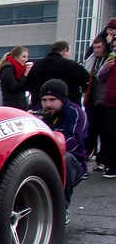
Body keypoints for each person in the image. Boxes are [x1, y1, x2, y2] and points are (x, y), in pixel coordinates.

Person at [36, 79, 86, 221]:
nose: (48, 104)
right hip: (44, 158)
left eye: (53, 100)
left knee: (67, 159)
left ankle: (61, 209)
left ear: (62, 99)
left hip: (72, 160)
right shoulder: (38, 111)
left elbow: (74, 140)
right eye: (44, 100)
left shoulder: (75, 113)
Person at [25, 41, 90, 107]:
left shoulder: (37, 66)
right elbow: (86, 77)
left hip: (40, 104)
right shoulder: (70, 65)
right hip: (67, 104)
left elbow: (28, 84)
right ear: (65, 50)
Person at [82, 36, 111, 169]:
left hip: (103, 101)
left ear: (105, 46)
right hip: (91, 100)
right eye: (94, 48)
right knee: (91, 130)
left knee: (104, 132)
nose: (96, 50)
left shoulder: (109, 59)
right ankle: (86, 157)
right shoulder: (93, 59)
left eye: (99, 47)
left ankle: (102, 159)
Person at [96, 50, 116, 178]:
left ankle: (113, 165)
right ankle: (110, 162)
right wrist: (105, 67)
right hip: (109, 102)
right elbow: (100, 78)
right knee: (110, 133)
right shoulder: (111, 61)